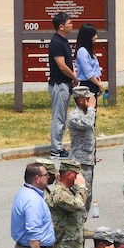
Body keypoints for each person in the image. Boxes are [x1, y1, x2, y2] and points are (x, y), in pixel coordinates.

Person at [48, 12, 77, 158]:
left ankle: (58, 146)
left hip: (65, 84)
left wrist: (72, 76)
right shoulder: (56, 42)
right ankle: (56, 149)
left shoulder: (64, 41)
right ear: (61, 26)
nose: (71, 25)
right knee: (58, 117)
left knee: (62, 117)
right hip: (59, 85)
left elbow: (68, 63)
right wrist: (74, 77)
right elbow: (61, 65)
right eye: (69, 23)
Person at [73, 24, 104, 98]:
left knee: (93, 108)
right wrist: (99, 85)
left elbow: (95, 70)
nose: (96, 37)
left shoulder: (89, 51)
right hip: (87, 84)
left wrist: (99, 83)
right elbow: (88, 72)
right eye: (94, 35)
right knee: (89, 108)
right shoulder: (82, 51)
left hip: (94, 83)